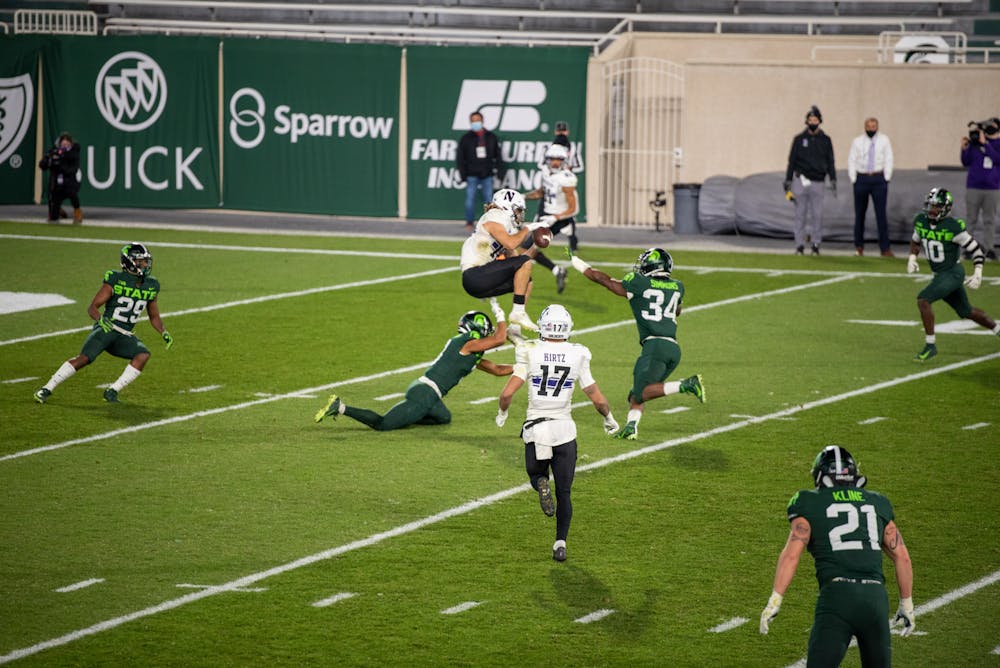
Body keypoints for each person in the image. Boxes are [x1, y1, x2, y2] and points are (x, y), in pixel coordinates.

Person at [759, 445, 915, 668]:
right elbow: (903, 557)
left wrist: (775, 599)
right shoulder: (877, 502)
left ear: (821, 474)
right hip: (875, 599)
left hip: (838, 598)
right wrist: (906, 603)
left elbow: (791, 556)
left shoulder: (808, 502)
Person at [496, 304, 618, 562]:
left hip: (536, 427)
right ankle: (560, 544)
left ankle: (541, 483)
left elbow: (507, 394)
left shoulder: (529, 350)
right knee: (564, 493)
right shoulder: (578, 353)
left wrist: (503, 413)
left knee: (536, 473)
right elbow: (596, 397)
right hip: (564, 429)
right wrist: (608, 418)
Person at [566, 247, 705, 440]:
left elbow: (603, 280)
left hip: (654, 346)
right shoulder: (677, 286)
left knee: (643, 391)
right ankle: (631, 427)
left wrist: (578, 263)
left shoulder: (638, 282)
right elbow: (676, 310)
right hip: (672, 348)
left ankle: (686, 384)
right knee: (636, 393)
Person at [315, 303, 512, 430]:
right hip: (424, 394)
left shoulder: (472, 351)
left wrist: (524, 367)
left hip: (428, 392)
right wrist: (500, 314)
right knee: (383, 424)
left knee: (444, 418)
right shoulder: (468, 343)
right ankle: (340, 407)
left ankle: (407, 415)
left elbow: (497, 370)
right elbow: (500, 338)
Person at [34, 243, 173, 404]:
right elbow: (92, 307)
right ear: (128, 262)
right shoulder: (115, 279)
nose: (144, 264)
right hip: (106, 329)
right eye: (139, 261)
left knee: (143, 355)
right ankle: (46, 388)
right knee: (84, 359)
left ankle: (112, 391)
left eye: (145, 261)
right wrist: (100, 319)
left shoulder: (152, 285)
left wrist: (163, 331)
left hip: (123, 335)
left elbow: (154, 316)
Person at [906, 187, 1000, 362]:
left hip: (952, 273)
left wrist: (978, 272)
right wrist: (912, 258)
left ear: (945, 208)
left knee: (923, 300)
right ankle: (997, 330)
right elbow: (916, 240)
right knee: (967, 311)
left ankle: (930, 346)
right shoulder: (921, 221)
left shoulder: (953, 227)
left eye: (936, 206)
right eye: (930, 205)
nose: (932, 210)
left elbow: (977, 250)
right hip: (940, 275)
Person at [460, 188, 548, 332]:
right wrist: (529, 228)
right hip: (474, 275)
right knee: (524, 263)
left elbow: (517, 259)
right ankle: (518, 313)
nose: (520, 214)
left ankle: (515, 328)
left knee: (527, 281)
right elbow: (511, 244)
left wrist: (536, 245)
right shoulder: (495, 215)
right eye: (518, 210)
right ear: (507, 206)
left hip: (479, 281)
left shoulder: (504, 225)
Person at [525, 143, 579, 292]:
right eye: (552, 159)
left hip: (559, 220)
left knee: (527, 248)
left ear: (563, 161)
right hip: (547, 216)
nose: (555, 162)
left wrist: (556, 217)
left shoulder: (566, 179)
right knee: (528, 247)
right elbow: (543, 192)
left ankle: (517, 281)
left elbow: (574, 208)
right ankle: (557, 271)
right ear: (547, 160)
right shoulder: (546, 172)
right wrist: (523, 196)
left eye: (558, 159)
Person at [784, 106, 837, 256]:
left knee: (817, 215)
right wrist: (788, 179)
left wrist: (833, 178)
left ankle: (816, 244)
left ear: (820, 121)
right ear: (806, 121)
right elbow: (791, 161)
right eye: (810, 119)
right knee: (800, 214)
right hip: (801, 180)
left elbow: (830, 161)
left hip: (818, 181)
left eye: (815, 119)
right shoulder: (799, 139)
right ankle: (799, 245)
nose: (813, 122)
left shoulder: (825, 140)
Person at [848, 118, 894, 257]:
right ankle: (859, 246)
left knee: (881, 215)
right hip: (862, 178)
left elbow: (889, 158)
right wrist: (854, 178)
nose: (871, 128)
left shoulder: (884, 140)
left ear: (877, 127)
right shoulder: (857, 141)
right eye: (869, 126)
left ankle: (885, 248)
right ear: (865, 127)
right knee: (860, 215)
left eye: (874, 126)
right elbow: (852, 159)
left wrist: (887, 177)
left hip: (878, 179)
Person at [457, 111, 504, 231]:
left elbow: (497, 156)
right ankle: (469, 222)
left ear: (482, 121)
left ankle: (490, 222)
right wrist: (463, 175)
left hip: (486, 173)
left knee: (489, 200)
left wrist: (500, 171)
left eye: (477, 120)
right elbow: (460, 158)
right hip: (471, 174)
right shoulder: (466, 138)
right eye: (473, 121)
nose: (475, 123)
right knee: (469, 199)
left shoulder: (490, 136)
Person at [960, 118, 1000, 260]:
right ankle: (969, 248)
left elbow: (997, 159)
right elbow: (965, 161)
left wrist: (986, 144)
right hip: (973, 187)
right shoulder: (974, 143)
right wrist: (964, 148)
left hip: (992, 188)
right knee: (971, 219)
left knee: (989, 220)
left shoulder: (997, 144)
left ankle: (989, 248)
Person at [38, 132, 83, 224]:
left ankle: (77, 211)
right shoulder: (54, 151)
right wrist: (49, 160)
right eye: (63, 144)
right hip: (57, 180)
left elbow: (73, 168)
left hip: (71, 179)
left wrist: (61, 164)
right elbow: (43, 165)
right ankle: (56, 211)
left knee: (71, 193)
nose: (65, 146)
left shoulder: (74, 152)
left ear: (71, 143)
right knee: (53, 196)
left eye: (67, 144)